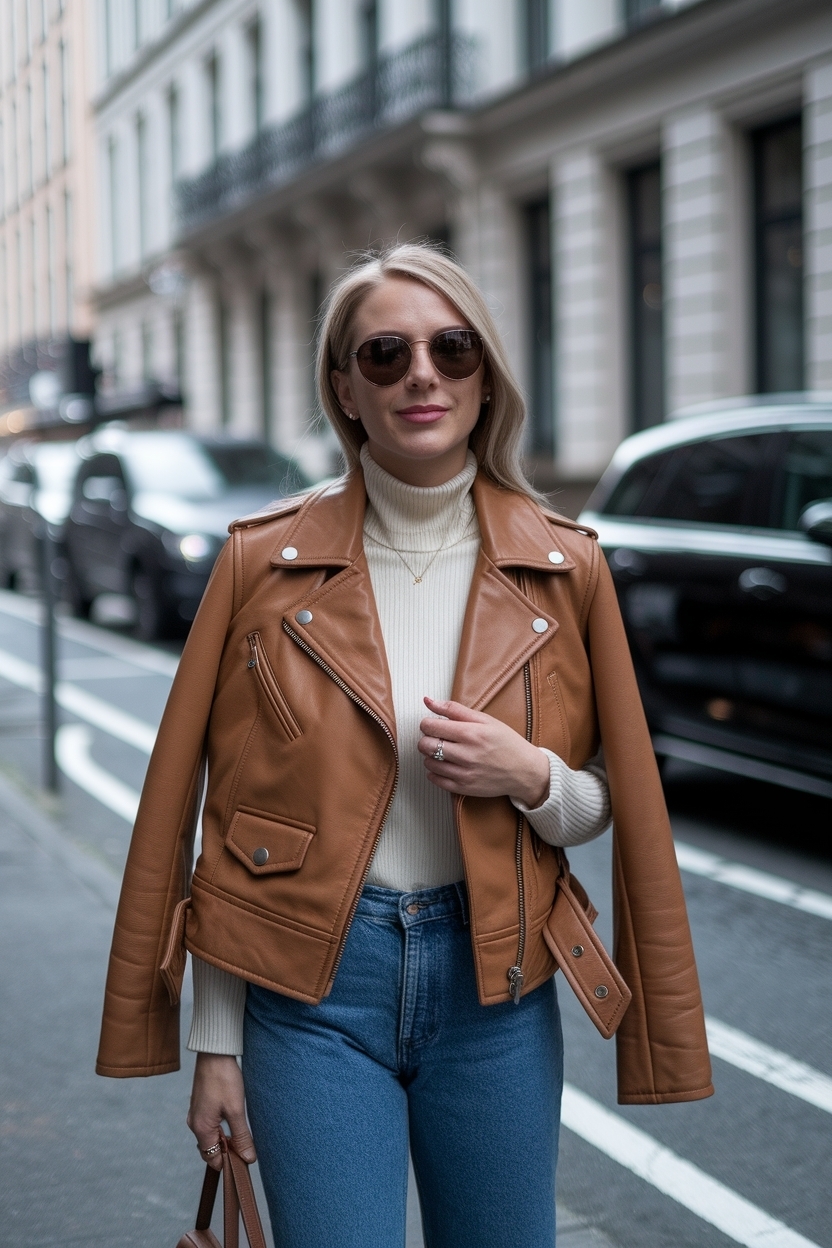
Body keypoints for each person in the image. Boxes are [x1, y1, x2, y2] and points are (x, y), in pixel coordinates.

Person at [97, 244, 712, 1248]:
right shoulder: (262, 562)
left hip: (499, 996)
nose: (421, 374)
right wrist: (215, 1045)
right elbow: (219, 819)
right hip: (310, 999)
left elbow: (614, 799)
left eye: (450, 348)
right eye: (384, 354)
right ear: (345, 388)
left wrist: (532, 777)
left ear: (483, 377)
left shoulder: (565, 567)